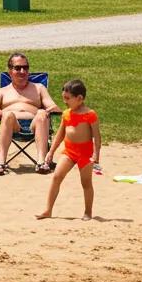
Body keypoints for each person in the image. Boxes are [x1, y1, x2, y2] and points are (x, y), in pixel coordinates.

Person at [0, 52, 60, 175]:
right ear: (10, 71)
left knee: (41, 113)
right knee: (7, 114)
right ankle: (0, 162)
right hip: (13, 125)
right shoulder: (3, 91)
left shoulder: (39, 88)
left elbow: (53, 106)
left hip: (35, 125)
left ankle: (41, 162)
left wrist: (50, 110)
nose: (22, 71)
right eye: (18, 68)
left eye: (25, 68)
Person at [37, 78, 101, 220]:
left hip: (85, 154)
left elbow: (97, 136)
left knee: (86, 183)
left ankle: (88, 212)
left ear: (79, 98)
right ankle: (48, 210)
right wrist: (51, 151)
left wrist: (97, 153)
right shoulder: (66, 114)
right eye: (63, 98)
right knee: (56, 177)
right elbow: (60, 135)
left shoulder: (90, 115)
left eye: (67, 98)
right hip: (69, 152)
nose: (65, 101)